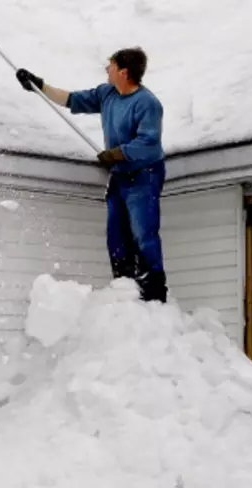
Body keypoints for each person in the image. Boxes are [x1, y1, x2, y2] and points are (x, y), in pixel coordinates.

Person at [15, 47, 167, 303]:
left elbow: (149, 144)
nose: (106, 69)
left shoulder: (147, 104)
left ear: (124, 72)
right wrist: (38, 86)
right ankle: (124, 284)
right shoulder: (107, 93)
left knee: (143, 231)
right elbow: (73, 99)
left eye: (110, 65)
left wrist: (118, 154)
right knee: (116, 233)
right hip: (119, 175)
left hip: (144, 175)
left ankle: (153, 289)